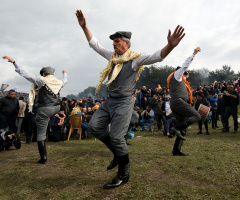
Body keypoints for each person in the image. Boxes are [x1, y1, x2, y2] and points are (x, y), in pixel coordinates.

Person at [76, 9, 185, 188]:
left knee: (117, 137)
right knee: (95, 127)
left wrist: (171, 45)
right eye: (113, 41)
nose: (113, 44)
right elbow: (94, 44)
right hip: (110, 101)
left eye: (117, 41)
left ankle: (123, 174)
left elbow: (158, 56)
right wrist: (84, 27)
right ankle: (117, 155)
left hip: (125, 102)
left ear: (126, 44)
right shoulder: (111, 57)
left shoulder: (135, 59)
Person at [3, 56, 68, 164]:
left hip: (45, 108)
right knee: (46, 119)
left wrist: (14, 62)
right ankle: (50, 129)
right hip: (56, 107)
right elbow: (66, 79)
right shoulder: (59, 82)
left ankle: (43, 158)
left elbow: (25, 74)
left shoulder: (41, 80)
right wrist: (65, 73)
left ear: (43, 74)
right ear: (52, 74)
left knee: (40, 134)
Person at [167, 47, 201, 156]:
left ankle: (176, 150)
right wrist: (193, 54)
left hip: (176, 103)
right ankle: (175, 128)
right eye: (185, 73)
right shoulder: (177, 75)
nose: (186, 75)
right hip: (178, 102)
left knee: (183, 128)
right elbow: (185, 65)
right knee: (196, 116)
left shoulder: (178, 80)